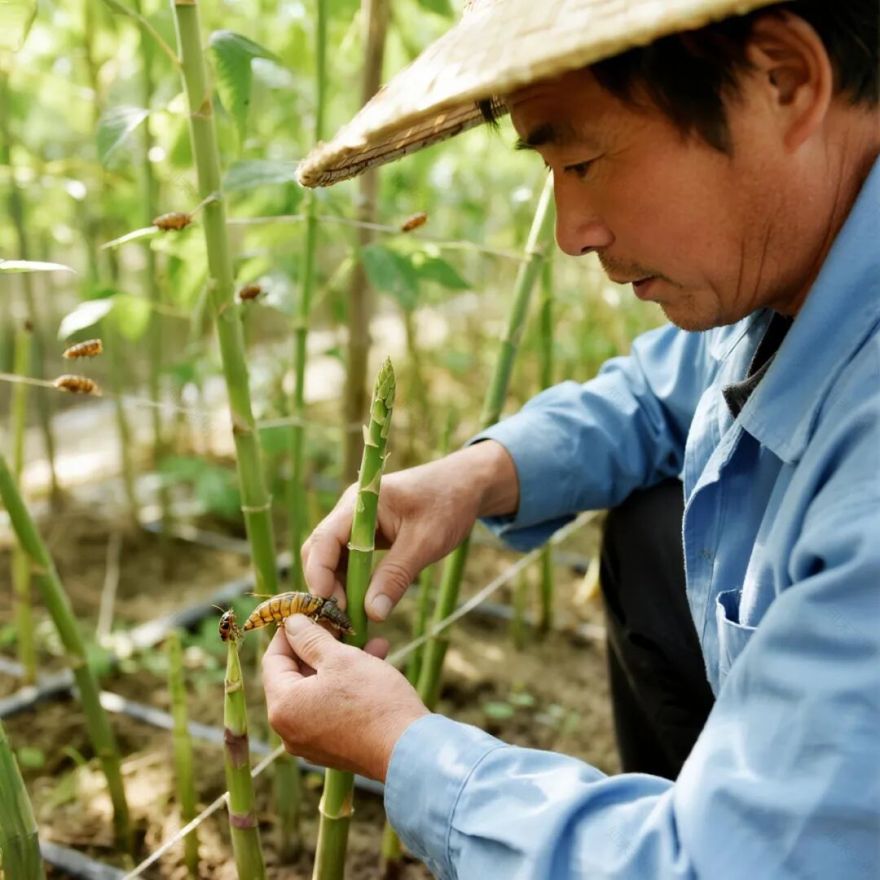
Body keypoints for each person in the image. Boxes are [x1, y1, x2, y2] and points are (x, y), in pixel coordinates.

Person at [263, 0, 880, 876]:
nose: (571, 233)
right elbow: (666, 389)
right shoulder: (797, 270)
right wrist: (479, 474)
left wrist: (401, 748)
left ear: (782, 80)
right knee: (652, 526)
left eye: (583, 160)